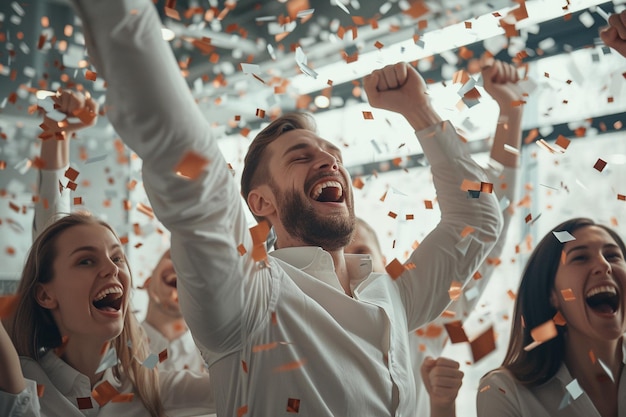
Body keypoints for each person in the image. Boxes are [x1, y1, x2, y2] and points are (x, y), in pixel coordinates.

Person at [71, 0, 502, 415]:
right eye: (300, 156)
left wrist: (419, 109)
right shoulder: (251, 299)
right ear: (261, 202)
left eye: (333, 154)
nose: (329, 161)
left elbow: (478, 219)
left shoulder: (394, 295)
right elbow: (197, 178)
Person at [0, 92, 215, 417]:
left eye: (117, 258)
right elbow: (55, 233)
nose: (111, 270)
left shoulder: (155, 388)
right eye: (87, 261)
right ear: (45, 294)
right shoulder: (19, 376)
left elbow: (267, 385)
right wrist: (56, 136)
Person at [345, 57, 525, 417]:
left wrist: (511, 110)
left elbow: (492, 221)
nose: (352, 267)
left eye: (362, 253)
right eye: (337, 257)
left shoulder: (423, 313)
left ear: (386, 265)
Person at [476, 217, 626, 417]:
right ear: (552, 295)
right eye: (580, 258)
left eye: (612, 255)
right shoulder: (506, 392)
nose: (604, 265)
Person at [141, 249, 207, 374]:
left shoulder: (212, 362)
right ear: (148, 281)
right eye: (174, 257)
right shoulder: (116, 348)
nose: (183, 269)